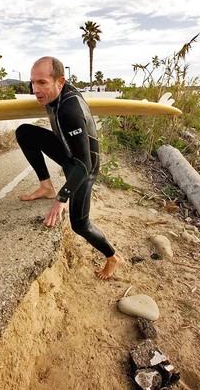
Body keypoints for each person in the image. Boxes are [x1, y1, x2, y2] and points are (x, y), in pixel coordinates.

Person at [16, 56, 125, 280]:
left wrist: (61, 198)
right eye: (33, 83)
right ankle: (46, 187)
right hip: (67, 153)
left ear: (60, 82)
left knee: (80, 224)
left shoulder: (70, 111)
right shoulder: (54, 93)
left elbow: (83, 165)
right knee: (25, 132)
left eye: (42, 83)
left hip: (85, 167)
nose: (35, 90)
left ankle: (113, 257)